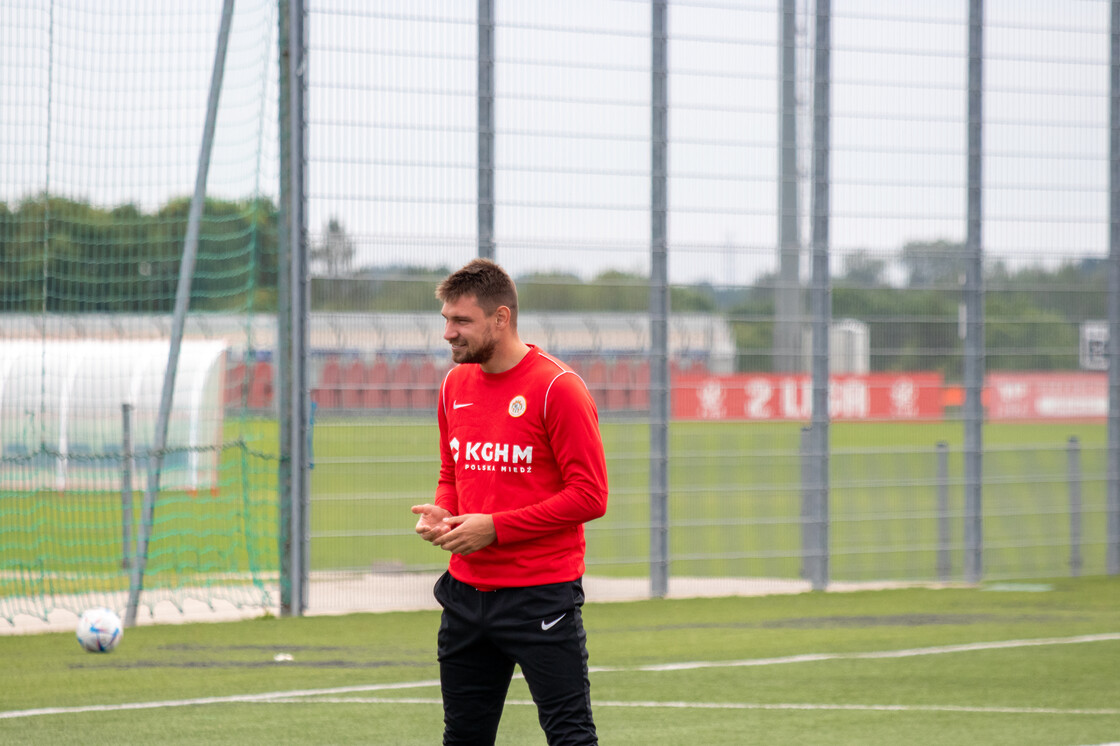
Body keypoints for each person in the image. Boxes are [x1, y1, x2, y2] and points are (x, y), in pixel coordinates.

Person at [411, 258, 608, 746]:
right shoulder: (454, 385)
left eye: (462, 321)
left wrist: (494, 527)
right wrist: (444, 512)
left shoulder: (557, 389)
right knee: (463, 737)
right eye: (446, 321)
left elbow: (590, 496)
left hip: (540, 594)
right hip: (464, 594)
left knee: (570, 737)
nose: (448, 334)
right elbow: (452, 471)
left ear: (501, 318)